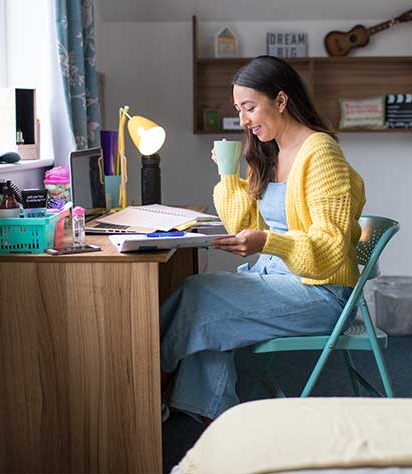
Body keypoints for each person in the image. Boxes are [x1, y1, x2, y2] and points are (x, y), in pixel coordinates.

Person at [159, 55, 366, 424]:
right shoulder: (272, 152)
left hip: (322, 292)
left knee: (200, 295)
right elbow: (238, 220)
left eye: (250, 107)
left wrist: (267, 242)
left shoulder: (320, 154)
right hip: (279, 279)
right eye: (239, 109)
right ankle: (210, 415)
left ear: (281, 101)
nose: (243, 120)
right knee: (205, 303)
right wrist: (227, 170)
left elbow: (331, 249)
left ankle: (140, 377)